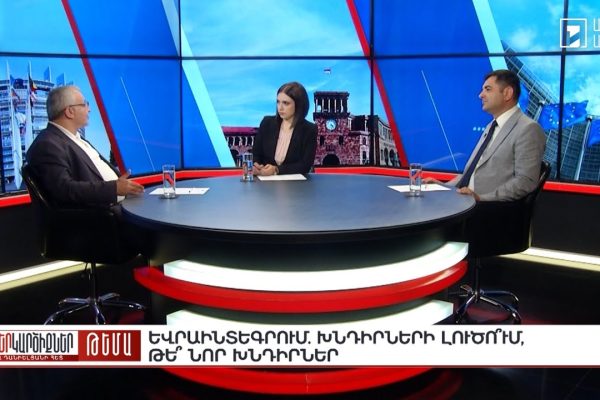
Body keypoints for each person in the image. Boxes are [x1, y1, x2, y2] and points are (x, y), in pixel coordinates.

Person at [428, 69, 546, 201]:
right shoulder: (491, 126)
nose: (480, 95)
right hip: (464, 200)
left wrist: (481, 198)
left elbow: (525, 182)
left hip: (487, 208)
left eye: (487, 89)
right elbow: (471, 174)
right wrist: (443, 187)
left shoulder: (528, 129)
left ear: (507, 93)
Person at [26, 85, 144, 208]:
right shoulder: (47, 144)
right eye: (84, 104)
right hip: (102, 214)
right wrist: (114, 188)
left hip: (124, 203)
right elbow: (64, 190)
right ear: (70, 111)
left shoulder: (76, 139)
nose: (89, 109)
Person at [252, 82, 317, 176]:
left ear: (298, 105)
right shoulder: (267, 123)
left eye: (286, 103)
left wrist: (276, 170)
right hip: (265, 181)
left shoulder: (309, 130)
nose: (280, 108)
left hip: (295, 183)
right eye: (278, 102)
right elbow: (256, 154)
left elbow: (305, 165)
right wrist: (256, 165)